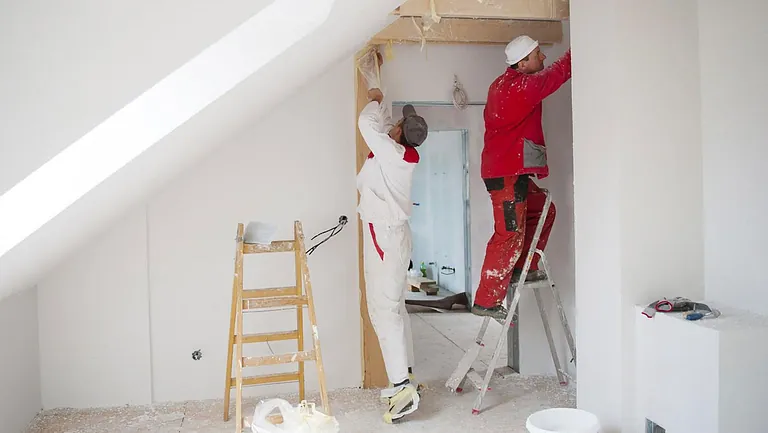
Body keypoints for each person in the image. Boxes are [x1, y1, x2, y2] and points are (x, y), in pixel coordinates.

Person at [471, 35, 572, 321]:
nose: (543, 58)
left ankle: (524, 265)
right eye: (538, 54)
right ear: (523, 62)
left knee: (544, 209)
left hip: (512, 172)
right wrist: (581, 48)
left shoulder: (502, 84)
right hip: (505, 175)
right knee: (509, 234)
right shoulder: (520, 87)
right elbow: (558, 74)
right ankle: (486, 300)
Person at [356, 51, 428, 423]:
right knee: (393, 307)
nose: (395, 122)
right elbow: (381, 126)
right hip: (388, 236)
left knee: (383, 310)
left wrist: (374, 93)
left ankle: (402, 387)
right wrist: (377, 79)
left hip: (385, 239)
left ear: (400, 134)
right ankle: (407, 376)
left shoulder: (392, 153)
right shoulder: (397, 151)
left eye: (399, 123)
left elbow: (367, 123)